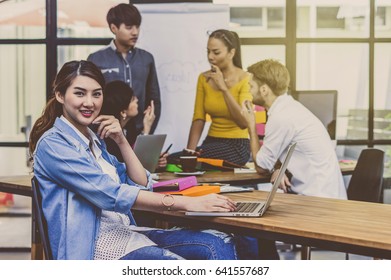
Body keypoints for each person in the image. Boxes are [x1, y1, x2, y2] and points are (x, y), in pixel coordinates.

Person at [28, 60, 244, 260]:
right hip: (95, 248)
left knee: (219, 241)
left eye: (96, 94)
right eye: (79, 93)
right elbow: (110, 194)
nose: (89, 102)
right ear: (59, 95)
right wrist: (188, 202)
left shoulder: (93, 139)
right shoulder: (53, 145)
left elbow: (140, 183)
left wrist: (121, 140)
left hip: (126, 233)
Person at [242, 59, 347, 199]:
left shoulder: (281, 117)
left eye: (251, 86)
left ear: (264, 90)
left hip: (319, 201)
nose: (249, 91)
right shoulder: (289, 109)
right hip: (324, 195)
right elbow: (284, 150)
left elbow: (261, 167)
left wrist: (251, 125)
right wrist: (279, 168)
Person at [180, 29, 252, 166]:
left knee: (202, 157)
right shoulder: (204, 78)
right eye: (208, 51)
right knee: (175, 159)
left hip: (237, 145)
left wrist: (223, 88)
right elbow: (199, 119)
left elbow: (243, 122)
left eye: (216, 52)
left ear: (231, 53)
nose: (210, 57)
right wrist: (189, 153)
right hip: (212, 142)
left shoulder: (246, 79)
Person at [87, 3, 161, 136]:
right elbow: (90, 98)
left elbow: (154, 99)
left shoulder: (147, 58)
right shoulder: (96, 59)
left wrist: (147, 132)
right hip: (105, 132)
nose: (135, 32)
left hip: (138, 131)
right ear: (113, 28)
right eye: (129, 27)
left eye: (137, 26)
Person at [101, 80, 167, 169]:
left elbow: (138, 157)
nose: (137, 100)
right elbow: (130, 166)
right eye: (132, 99)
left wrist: (154, 161)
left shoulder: (129, 127)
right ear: (123, 112)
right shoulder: (109, 135)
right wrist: (146, 129)